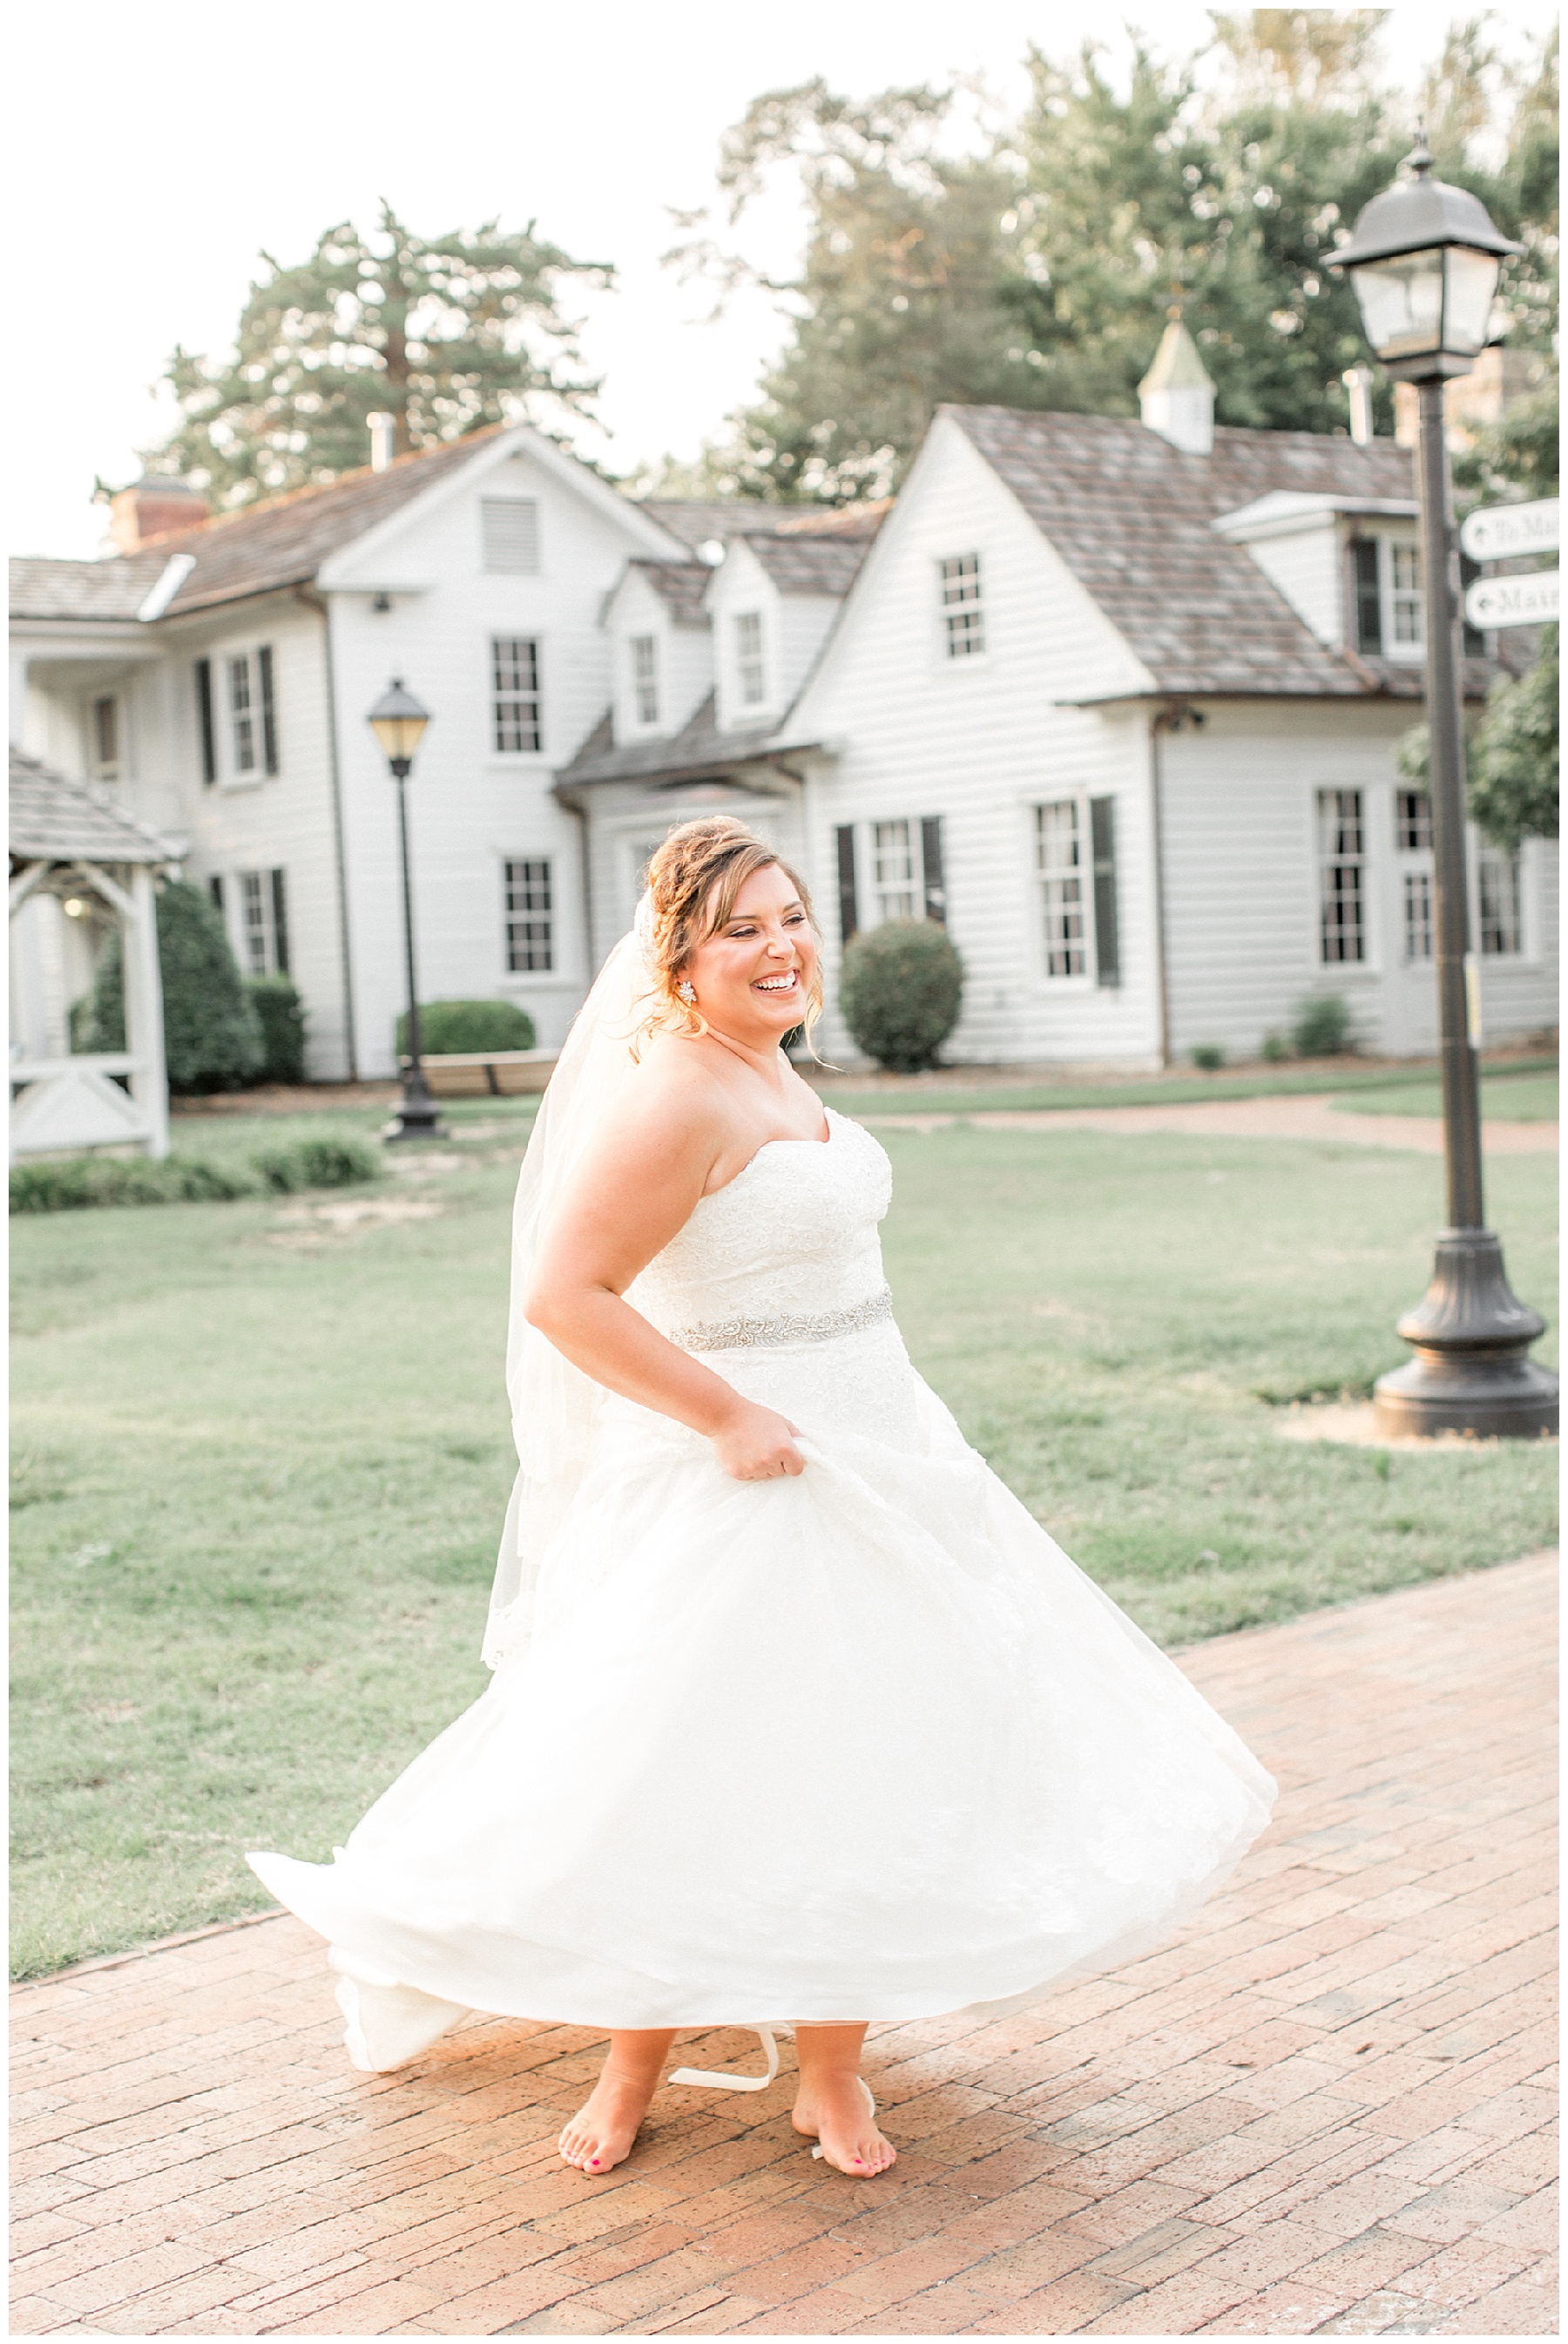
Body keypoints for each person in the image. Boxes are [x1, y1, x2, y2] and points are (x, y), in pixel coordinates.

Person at [250, 816, 1274, 2180]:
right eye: (744, 927)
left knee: (871, 1763)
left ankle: (834, 2075)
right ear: (679, 957)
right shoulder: (674, 1090)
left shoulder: (780, 1072)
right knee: (681, 1777)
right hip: (747, 1477)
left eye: (793, 917)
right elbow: (565, 1294)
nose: (783, 946)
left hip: (884, 1457)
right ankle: (634, 2065)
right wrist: (728, 1413)